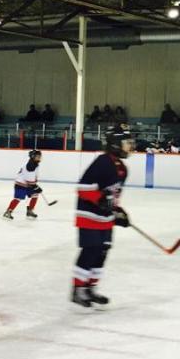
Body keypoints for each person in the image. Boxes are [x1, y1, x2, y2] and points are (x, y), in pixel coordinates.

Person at [71, 127, 134, 308]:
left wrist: (119, 212)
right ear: (115, 144)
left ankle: (90, 288)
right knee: (91, 250)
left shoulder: (122, 168)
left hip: (105, 218)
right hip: (89, 215)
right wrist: (100, 200)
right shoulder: (102, 161)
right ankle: (78, 289)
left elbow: (112, 196)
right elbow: (83, 188)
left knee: (102, 252)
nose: (130, 146)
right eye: (126, 143)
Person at [3, 150, 43, 220]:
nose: (39, 158)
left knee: (35, 194)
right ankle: (8, 212)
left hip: (28, 184)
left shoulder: (34, 164)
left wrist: (35, 186)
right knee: (18, 198)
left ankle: (30, 211)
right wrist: (35, 186)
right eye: (37, 156)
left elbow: (32, 178)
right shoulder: (30, 166)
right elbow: (29, 179)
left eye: (40, 156)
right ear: (33, 157)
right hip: (21, 185)